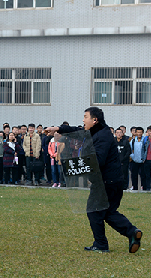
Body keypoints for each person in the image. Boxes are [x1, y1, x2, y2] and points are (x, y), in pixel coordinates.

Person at [46, 107, 142, 253]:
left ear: (95, 120)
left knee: (94, 211)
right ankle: (132, 232)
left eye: (85, 117)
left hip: (106, 182)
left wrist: (75, 165)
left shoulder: (102, 136)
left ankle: (101, 244)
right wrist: (58, 128)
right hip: (111, 181)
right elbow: (76, 131)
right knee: (108, 212)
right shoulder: (96, 132)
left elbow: (98, 160)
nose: (83, 120)